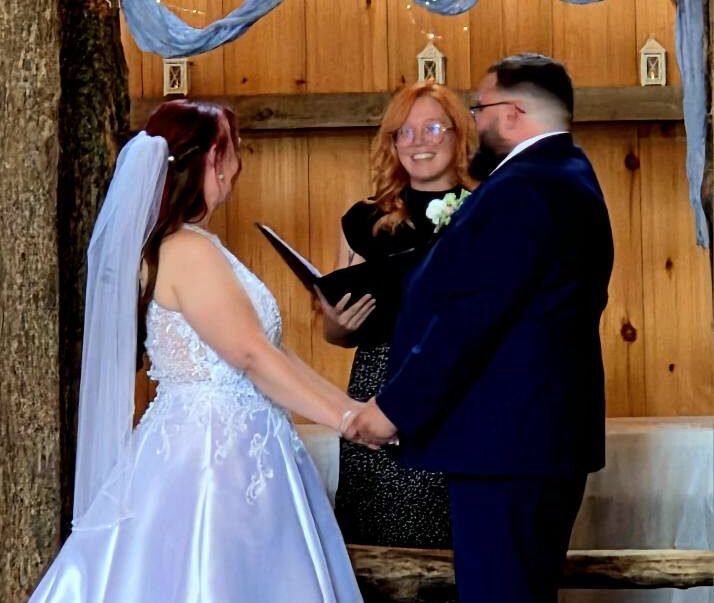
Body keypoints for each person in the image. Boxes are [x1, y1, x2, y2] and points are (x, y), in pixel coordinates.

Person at [29, 99, 363, 603]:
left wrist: (349, 409)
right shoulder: (187, 250)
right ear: (212, 159)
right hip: (211, 459)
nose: (238, 164)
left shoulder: (199, 245)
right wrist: (347, 422)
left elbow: (273, 351)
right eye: (234, 148)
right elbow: (250, 356)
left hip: (244, 445)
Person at [344, 53, 614, 603]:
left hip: (506, 446)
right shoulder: (568, 174)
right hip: (534, 439)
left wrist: (394, 408)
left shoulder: (522, 188)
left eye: (481, 107)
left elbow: (471, 319)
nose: (477, 119)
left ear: (512, 112)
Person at [316, 80, 475, 550]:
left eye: (432, 128)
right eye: (404, 132)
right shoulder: (363, 220)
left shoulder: (484, 210)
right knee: (379, 541)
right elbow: (335, 330)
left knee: (458, 538)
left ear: (459, 134)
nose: (418, 142)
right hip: (378, 387)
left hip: (460, 386)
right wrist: (337, 326)